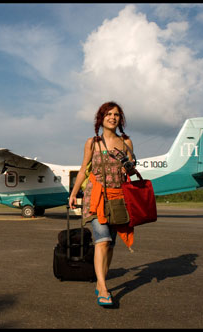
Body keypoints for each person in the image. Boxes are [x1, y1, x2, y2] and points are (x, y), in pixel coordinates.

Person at [68, 101, 135, 307]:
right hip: (96, 197)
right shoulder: (92, 143)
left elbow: (131, 171)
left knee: (111, 245)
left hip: (118, 198)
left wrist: (128, 164)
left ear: (120, 119)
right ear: (101, 118)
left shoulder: (126, 142)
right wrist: (73, 193)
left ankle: (100, 281)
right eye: (108, 114)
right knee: (102, 240)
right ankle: (103, 288)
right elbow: (82, 169)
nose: (112, 117)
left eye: (116, 114)